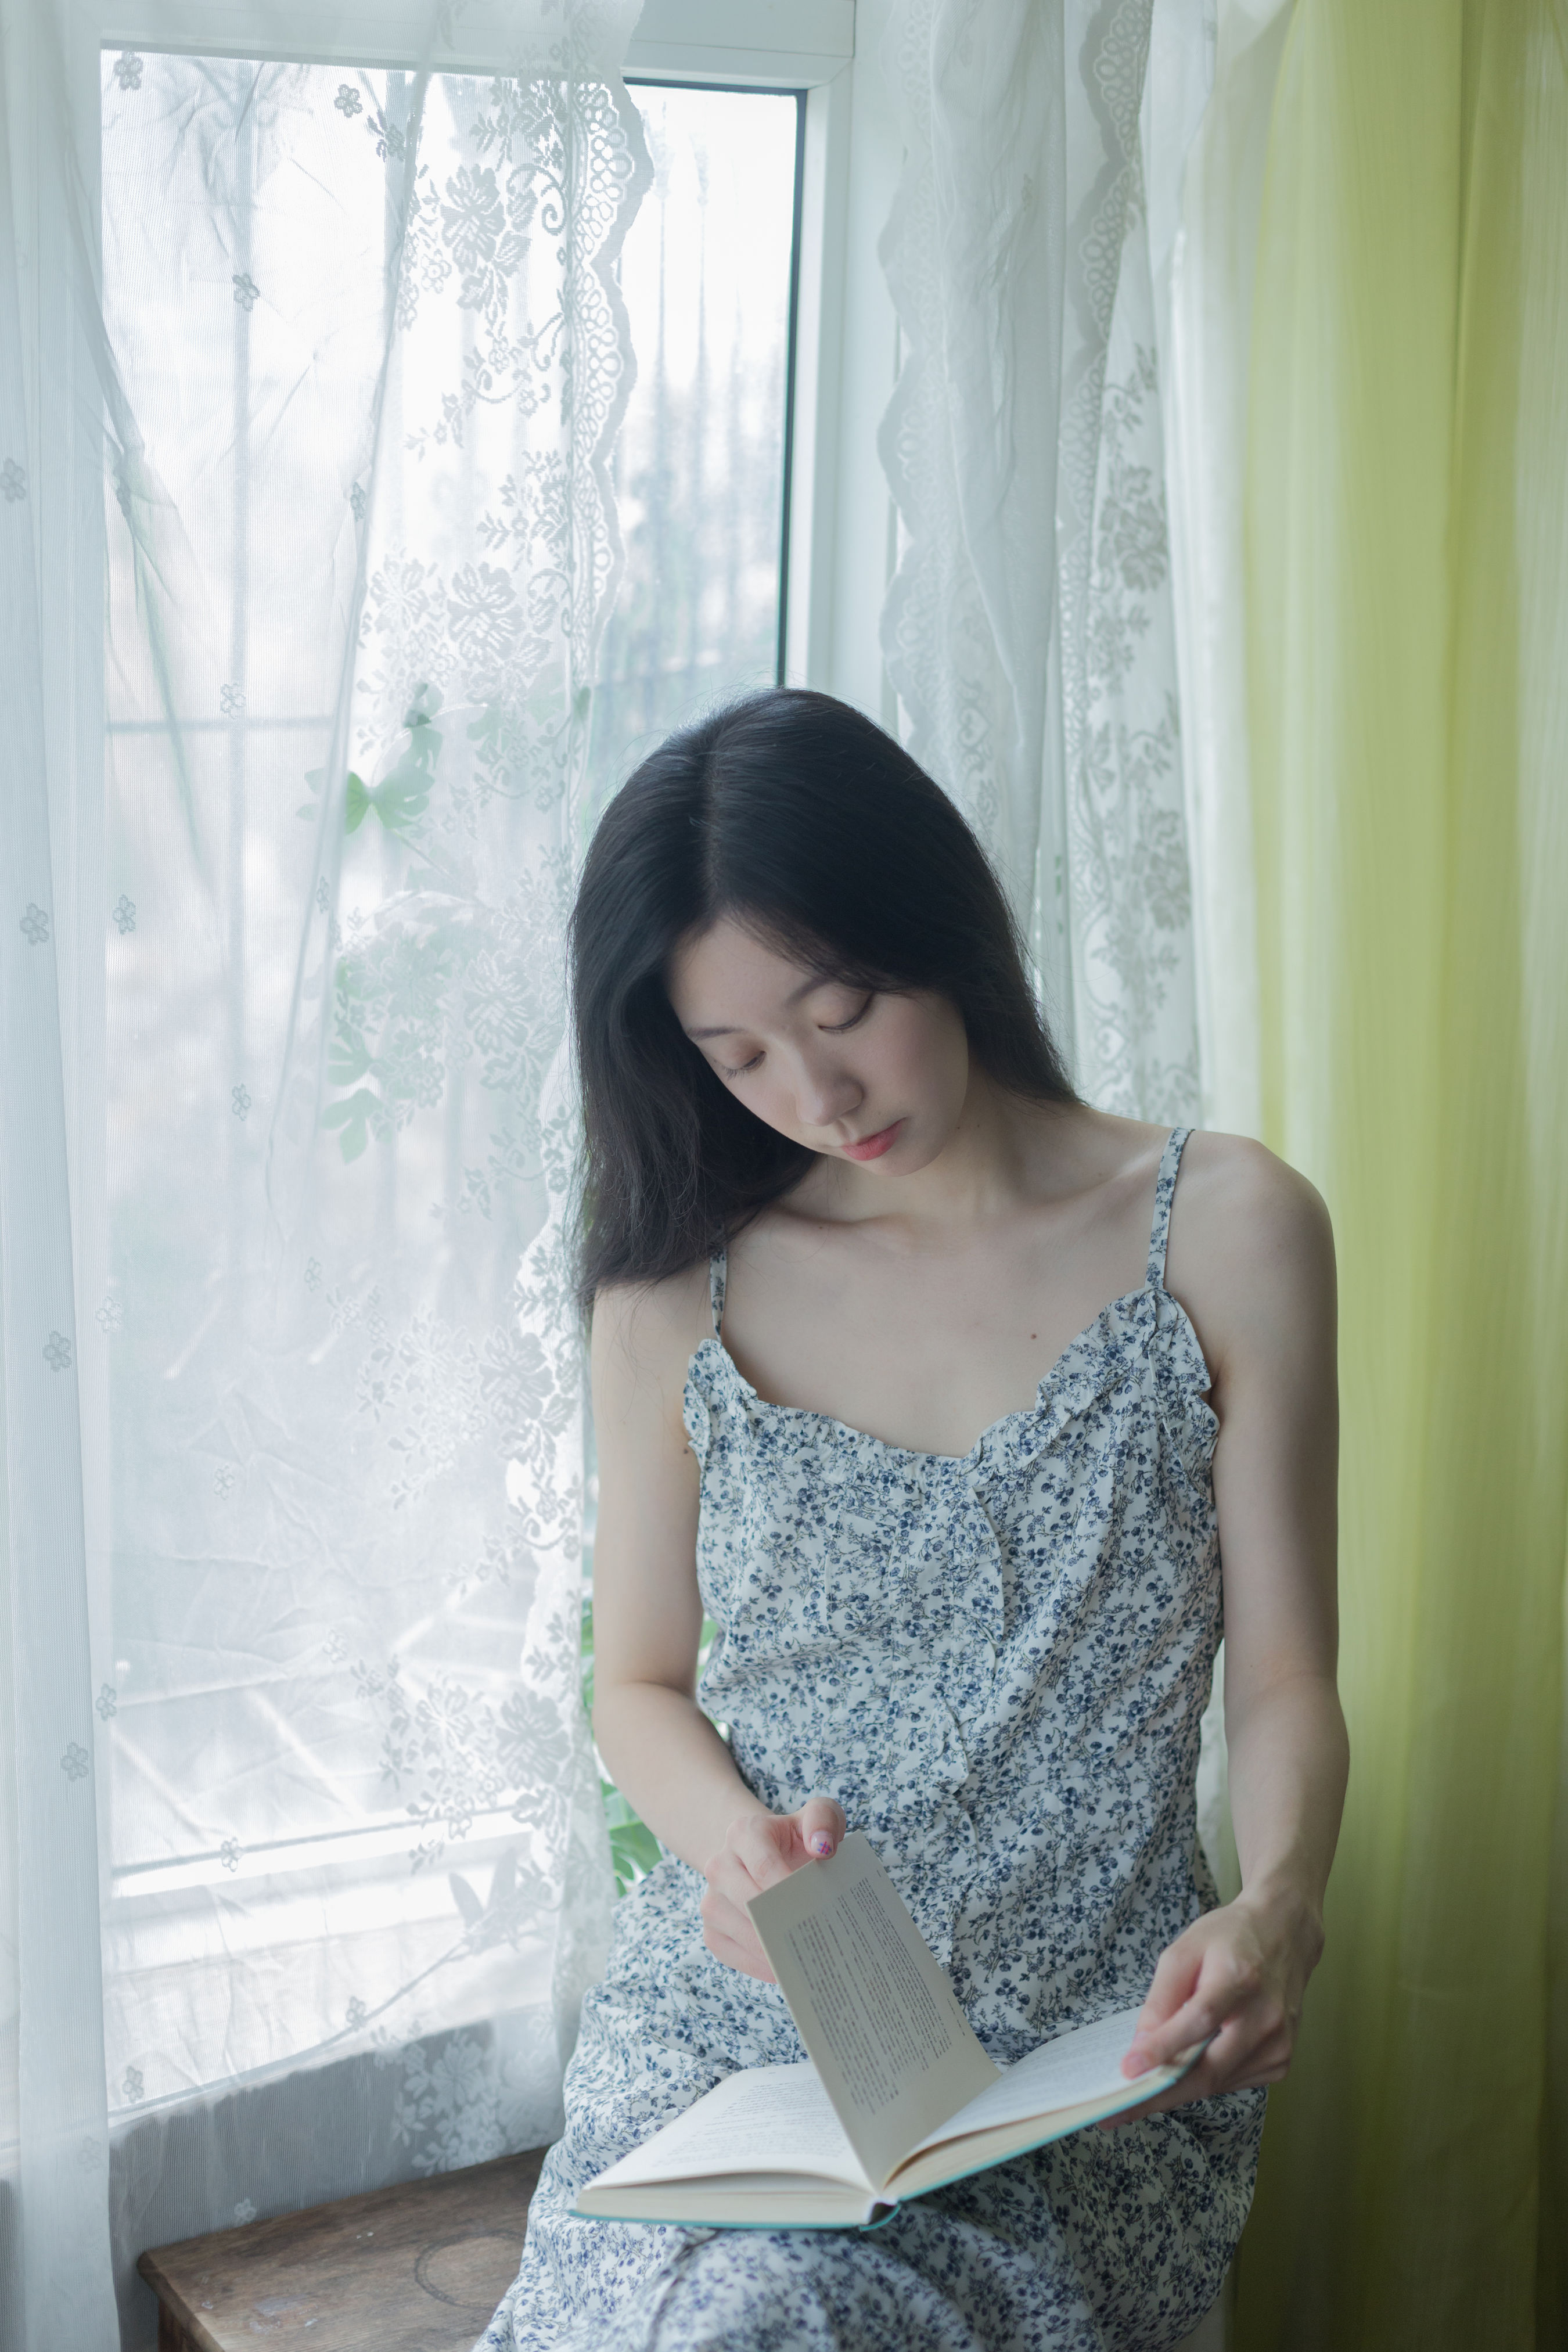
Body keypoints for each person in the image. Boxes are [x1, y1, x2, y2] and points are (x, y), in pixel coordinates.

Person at [479, 689, 1347, 2352]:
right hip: (748, 2041)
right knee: (720, 2317)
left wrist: (1280, 1902)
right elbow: (637, 1683)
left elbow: (1286, 1675)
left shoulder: (1228, 1229)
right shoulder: (674, 1292)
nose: (817, 1092)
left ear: (938, 926)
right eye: (737, 1057)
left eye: (844, 1009)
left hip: (1081, 2058)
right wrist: (739, 1851)